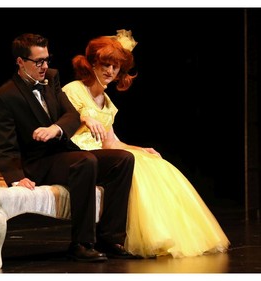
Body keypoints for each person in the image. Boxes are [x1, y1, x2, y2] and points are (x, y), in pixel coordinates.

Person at [62, 29, 230, 258]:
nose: (111, 71)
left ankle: (166, 234)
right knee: (135, 166)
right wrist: (84, 117)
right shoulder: (74, 90)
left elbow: (111, 142)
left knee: (154, 163)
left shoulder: (108, 103)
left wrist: (141, 149)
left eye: (116, 67)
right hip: (80, 155)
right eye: (106, 65)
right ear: (92, 63)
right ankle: (119, 237)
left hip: (105, 155)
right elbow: (64, 122)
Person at [0, 33, 137, 262]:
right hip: (37, 162)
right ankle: (82, 243)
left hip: (61, 153)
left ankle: (109, 237)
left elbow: (71, 114)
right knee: (85, 161)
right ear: (20, 62)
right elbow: (4, 144)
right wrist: (16, 177)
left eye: (47, 59)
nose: (44, 66)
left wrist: (55, 129)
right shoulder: (5, 96)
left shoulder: (51, 78)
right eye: (38, 61)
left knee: (123, 159)